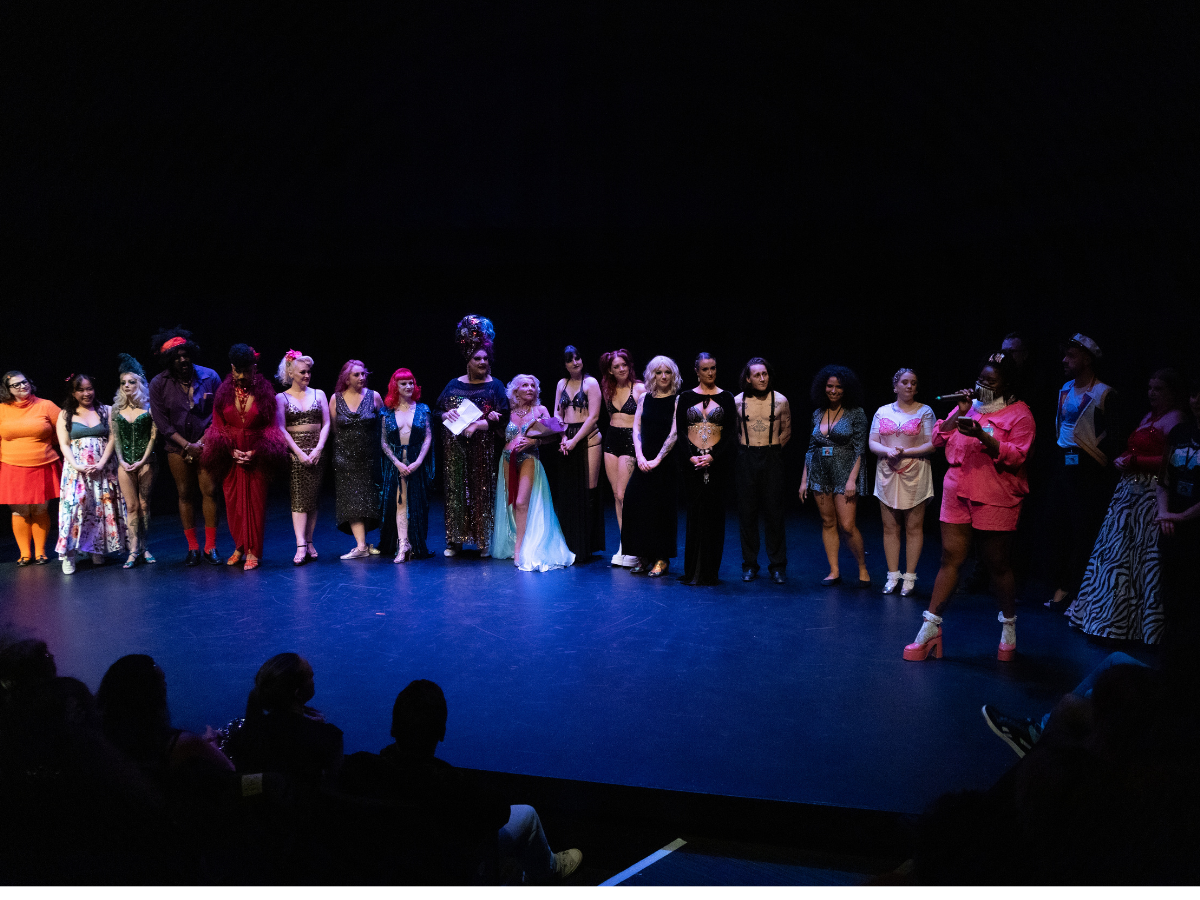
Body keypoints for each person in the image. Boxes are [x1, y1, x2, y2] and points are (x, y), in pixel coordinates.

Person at [340, 679, 582, 883]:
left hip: (383, 870)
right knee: (527, 815)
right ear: (442, 732)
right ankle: (548, 869)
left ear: (393, 727)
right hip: (443, 871)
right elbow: (500, 813)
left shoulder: (358, 767)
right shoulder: (453, 785)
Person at [903, 354, 1035, 661]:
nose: (983, 385)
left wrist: (982, 436)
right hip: (957, 490)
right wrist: (959, 414)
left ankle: (1009, 627)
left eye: (991, 381)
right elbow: (938, 438)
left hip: (995, 493)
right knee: (950, 558)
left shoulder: (1020, 414)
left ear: (1007, 384)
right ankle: (930, 629)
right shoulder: (971, 406)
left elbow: (1017, 456)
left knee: (997, 563)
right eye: (980, 379)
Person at [1069, 368, 1187, 643]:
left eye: (1159, 389)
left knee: (1142, 559)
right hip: (1128, 493)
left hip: (1150, 494)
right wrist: (1124, 457)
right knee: (1117, 556)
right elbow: (1136, 448)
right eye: (1150, 388)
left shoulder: (1176, 419)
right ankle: (1106, 619)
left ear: (1172, 392)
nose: (1152, 394)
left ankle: (1138, 626)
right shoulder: (1148, 417)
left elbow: (1172, 460)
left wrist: (1136, 462)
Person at [1047, 333, 1122, 608]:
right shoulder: (1065, 388)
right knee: (1059, 526)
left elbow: (1114, 436)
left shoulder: (1104, 393)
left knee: (1082, 528)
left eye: (1072, 356)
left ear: (1087, 360)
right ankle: (1060, 583)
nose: (1065, 360)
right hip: (1063, 460)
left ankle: (1075, 590)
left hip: (1087, 466)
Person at [201, 344, 288, 571]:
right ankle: (240, 546)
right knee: (234, 506)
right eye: (237, 371)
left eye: (246, 371)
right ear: (232, 368)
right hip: (231, 458)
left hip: (257, 457)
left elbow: (272, 427)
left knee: (255, 505)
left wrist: (256, 451)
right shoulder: (223, 392)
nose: (241, 376)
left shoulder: (265, 392)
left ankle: (253, 551)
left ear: (254, 367)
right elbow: (217, 425)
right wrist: (230, 451)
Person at [147, 327, 224, 565]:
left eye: (185, 354)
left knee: (210, 491)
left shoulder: (210, 376)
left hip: (207, 444)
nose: (182, 360)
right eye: (176, 357)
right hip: (177, 448)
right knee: (184, 494)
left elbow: (219, 414)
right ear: (168, 360)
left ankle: (211, 546)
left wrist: (200, 443)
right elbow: (162, 422)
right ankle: (193, 548)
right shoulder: (159, 383)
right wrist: (187, 446)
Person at [437, 315, 508, 558]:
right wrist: (446, 413)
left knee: (482, 493)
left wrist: (491, 419)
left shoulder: (495, 385)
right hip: (456, 449)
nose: (482, 362)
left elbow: (504, 415)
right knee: (456, 493)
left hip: (483, 450)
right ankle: (455, 541)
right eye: (477, 358)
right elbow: (437, 411)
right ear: (468, 361)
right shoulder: (453, 384)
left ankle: (484, 540)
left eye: (485, 358)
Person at [224, 652, 344, 787]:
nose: (313, 680)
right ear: (297, 692)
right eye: (310, 676)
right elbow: (331, 786)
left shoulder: (242, 737)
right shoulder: (329, 736)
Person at [492, 375, 574, 571]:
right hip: (507, 458)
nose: (530, 388)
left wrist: (535, 441)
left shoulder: (540, 410)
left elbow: (553, 435)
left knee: (522, 502)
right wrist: (493, 419)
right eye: (525, 385)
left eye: (532, 385)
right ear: (516, 390)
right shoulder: (508, 410)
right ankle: (517, 539)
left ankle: (520, 548)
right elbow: (499, 432)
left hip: (529, 457)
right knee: (512, 502)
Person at [799, 365, 871, 586]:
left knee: (847, 525)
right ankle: (834, 571)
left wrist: (852, 480)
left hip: (844, 472)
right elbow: (811, 449)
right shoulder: (817, 413)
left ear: (846, 389)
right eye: (830, 386)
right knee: (828, 521)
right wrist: (804, 480)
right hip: (820, 473)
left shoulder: (856, 413)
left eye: (839, 387)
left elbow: (860, 449)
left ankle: (862, 567)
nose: (834, 390)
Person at [868, 368, 936, 595]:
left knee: (913, 527)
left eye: (913, 383)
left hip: (915, 471)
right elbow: (872, 442)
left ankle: (909, 577)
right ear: (895, 386)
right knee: (890, 527)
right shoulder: (882, 411)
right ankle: (892, 575)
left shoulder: (925, 411)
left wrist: (904, 452)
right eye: (905, 382)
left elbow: (932, 443)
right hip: (887, 471)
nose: (909, 386)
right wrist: (888, 451)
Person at [675, 353, 738, 585]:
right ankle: (693, 570)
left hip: (717, 463)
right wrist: (691, 457)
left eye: (713, 368)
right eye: (705, 369)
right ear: (697, 371)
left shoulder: (726, 397)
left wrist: (713, 456)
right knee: (695, 514)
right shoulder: (686, 397)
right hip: (692, 464)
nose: (710, 373)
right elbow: (680, 431)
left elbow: (730, 434)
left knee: (714, 515)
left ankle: (710, 572)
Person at [55, 374, 127, 574]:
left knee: (99, 508)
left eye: (89, 389)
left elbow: (113, 437)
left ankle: (97, 548)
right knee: (74, 509)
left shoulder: (106, 410)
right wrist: (77, 465)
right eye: (81, 390)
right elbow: (64, 444)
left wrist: (102, 463)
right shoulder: (65, 414)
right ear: (73, 393)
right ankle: (69, 554)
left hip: (103, 468)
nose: (86, 393)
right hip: (76, 471)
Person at [734, 357, 792, 584]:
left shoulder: (781, 400)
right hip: (746, 458)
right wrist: (748, 451)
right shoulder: (737, 401)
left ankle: (777, 566)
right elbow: (735, 432)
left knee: (774, 513)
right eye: (757, 375)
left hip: (771, 457)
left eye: (765, 374)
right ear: (748, 378)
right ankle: (749, 564)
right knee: (747, 514)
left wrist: (772, 451)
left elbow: (787, 431)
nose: (762, 378)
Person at [622, 356, 681, 577]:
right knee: (636, 503)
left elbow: (674, 432)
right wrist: (639, 456)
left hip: (665, 462)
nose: (663, 376)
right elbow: (636, 428)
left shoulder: (677, 400)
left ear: (673, 375)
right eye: (659, 372)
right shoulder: (644, 398)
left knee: (662, 508)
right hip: (643, 459)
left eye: (667, 372)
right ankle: (643, 555)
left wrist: (657, 459)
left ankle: (662, 558)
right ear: (652, 375)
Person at [1155, 379, 1200, 660]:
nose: (1197, 400)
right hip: (1172, 525)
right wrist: (1164, 513)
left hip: (1192, 525)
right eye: (1194, 394)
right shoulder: (1179, 432)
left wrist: (1181, 516)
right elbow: (1164, 480)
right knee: (1172, 593)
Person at [0, 370, 61, 564]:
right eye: (16, 384)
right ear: (8, 389)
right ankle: (25, 553)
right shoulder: (2, 409)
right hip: (12, 466)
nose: (22, 386)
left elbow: (63, 431)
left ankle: (40, 552)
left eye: (24, 382)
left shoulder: (46, 405)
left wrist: (47, 445)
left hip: (42, 464)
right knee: (20, 511)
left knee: (40, 510)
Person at [275, 350, 329, 566]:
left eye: (309, 372)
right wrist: (298, 452)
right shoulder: (281, 397)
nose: (307, 375)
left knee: (312, 498)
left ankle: (309, 541)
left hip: (316, 452)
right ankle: (300, 544)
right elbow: (281, 428)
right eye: (302, 372)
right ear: (291, 373)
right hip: (295, 453)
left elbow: (326, 423)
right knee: (299, 498)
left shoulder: (319, 394)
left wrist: (318, 449)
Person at [551, 345, 604, 559]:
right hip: (567, 437)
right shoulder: (561, 384)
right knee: (570, 492)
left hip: (588, 437)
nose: (575, 362)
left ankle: (587, 545)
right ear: (564, 364)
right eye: (570, 360)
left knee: (589, 491)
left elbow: (594, 416)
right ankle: (571, 542)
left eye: (578, 358)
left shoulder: (590, 383)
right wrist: (563, 437)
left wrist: (574, 440)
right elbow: (557, 413)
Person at [330, 359, 384, 559]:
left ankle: (364, 544)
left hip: (369, 458)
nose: (361, 377)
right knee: (352, 502)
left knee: (368, 502)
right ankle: (361, 546)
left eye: (363, 374)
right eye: (356, 374)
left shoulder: (374, 396)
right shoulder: (336, 399)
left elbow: (384, 425)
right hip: (345, 459)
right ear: (346, 378)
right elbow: (334, 429)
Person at [379, 368, 435, 562]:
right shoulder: (386, 411)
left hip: (416, 463)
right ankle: (403, 544)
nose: (409, 386)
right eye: (404, 383)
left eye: (411, 383)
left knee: (417, 503)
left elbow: (428, 437)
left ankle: (413, 542)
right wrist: (396, 463)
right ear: (395, 386)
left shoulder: (423, 409)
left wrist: (418, 461)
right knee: (400, 502)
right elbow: (383, 441)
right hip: (396, 464)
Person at [599, 349, 646, 567]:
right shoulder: (607, 389)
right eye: (616, 366)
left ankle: (634, 543)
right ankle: (624, 542)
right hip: (612, 439)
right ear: (610, 370)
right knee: (616, 496)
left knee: (623, 494)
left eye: (624, 365)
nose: (621, 369)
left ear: (629, 366)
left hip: (630, 439)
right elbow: (611, 416)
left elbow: (644, 420)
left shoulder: (639, 388)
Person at [111, 355, 158, 569]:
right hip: (125, 463)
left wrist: (143, 460)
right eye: (123, 383)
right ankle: (133, 549)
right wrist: (121, 460)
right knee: (131, 506)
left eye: (131, 382)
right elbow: (116, 438)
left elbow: (153, 438)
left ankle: (145, 547)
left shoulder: (149, 408)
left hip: (146, 461)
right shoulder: (116, 409)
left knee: (144, 505)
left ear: (139, 383)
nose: (127, 386)